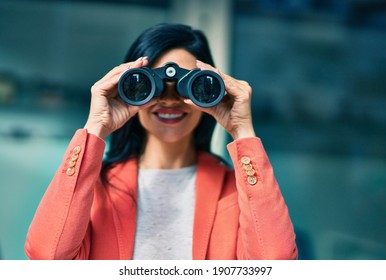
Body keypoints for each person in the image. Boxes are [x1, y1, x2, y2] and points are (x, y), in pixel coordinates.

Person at [24, 23, 298, 260]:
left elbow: (274, 263)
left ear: (210, 89)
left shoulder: (236, 192)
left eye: (187, 85)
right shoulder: (94, 189)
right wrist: (95, 127)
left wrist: (243, 131)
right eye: (147, 87)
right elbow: (48, 258)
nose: (169, 100)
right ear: (126, 87)